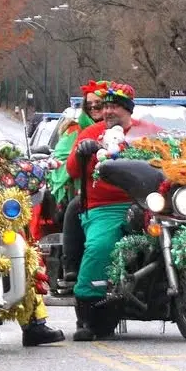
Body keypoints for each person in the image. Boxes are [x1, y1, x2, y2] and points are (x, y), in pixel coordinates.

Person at [67, 82, 157, 341]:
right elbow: (72, 170)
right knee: (101, 245)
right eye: (104, 106)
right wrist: (82, 154)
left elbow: (173, 157)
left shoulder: (149, 133)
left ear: (128, 109)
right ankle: (87, 311)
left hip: (149, 202)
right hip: (105, 206)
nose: (107, 111)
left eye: (114, 106)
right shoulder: (90, 133)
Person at [47, 81, 108, 297]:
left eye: (99, 105)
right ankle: (72, 266)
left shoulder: (130, 130)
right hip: (86, 191)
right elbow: (64, 163)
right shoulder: (76, 130)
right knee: (75, 208)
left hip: (124, 191)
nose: (94, 109)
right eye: (89, 105)